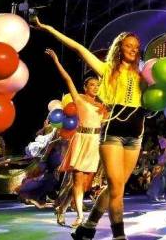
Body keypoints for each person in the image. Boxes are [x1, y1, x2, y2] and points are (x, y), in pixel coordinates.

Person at [35, 17, 145, 240]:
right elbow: (78, 48)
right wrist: (48, 27)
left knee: (117, 187)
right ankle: (119, 236)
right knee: (116, 189)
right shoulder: (107, 70)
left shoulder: (144, 75)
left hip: (136, 135)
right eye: (128, 46)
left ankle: (87, 227)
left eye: (136, 46)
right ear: (119, 48)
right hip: (113, 134)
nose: (133, 49)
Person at [47, 49, 108, 227]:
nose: (95, 87)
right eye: (92, 85)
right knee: (77, 180)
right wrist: (56, 61)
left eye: (97, 85)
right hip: (81, 140)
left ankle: (62, 207)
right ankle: (80, 216)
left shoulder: (102, 106)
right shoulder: (79, 99)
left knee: (84, 184)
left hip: (95, 142)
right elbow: (67, 79)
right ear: (85, 87)